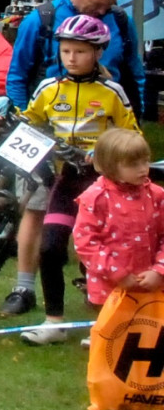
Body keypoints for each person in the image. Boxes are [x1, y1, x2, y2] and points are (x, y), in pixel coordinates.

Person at [0, 14, 140, 344]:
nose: (71, 58)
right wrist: (8, 111)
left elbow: (133, 137)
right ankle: (54, 322)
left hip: (102, 185)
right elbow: (31, 121)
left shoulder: (112, 92)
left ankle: (105, 325)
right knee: (50, 247)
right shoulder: (49, 88)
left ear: (98, 53)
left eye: (80, 52)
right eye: (66, 51)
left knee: (97, 255)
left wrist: (105, 150)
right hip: (66, 179)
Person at [6, 0, 146, 117]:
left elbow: (136, 74)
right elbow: (17, 76)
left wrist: (136, 117)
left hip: (107, 121)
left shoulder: (121, 21)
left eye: (108, 5)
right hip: (52, 121)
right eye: (96, 4)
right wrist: (22, 119)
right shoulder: (40, 20)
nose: (101, 11)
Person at [73, 129, 164, 310]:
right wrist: (119, 274)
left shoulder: (157, 195)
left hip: (153, 287)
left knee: (152, 327)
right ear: (110, 166)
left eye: (145, 161)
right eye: (133, 164)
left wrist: (159, 271)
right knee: (116, 328)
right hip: (109, 290)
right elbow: (86, 242)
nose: (143, 169)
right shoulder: (95, 198)